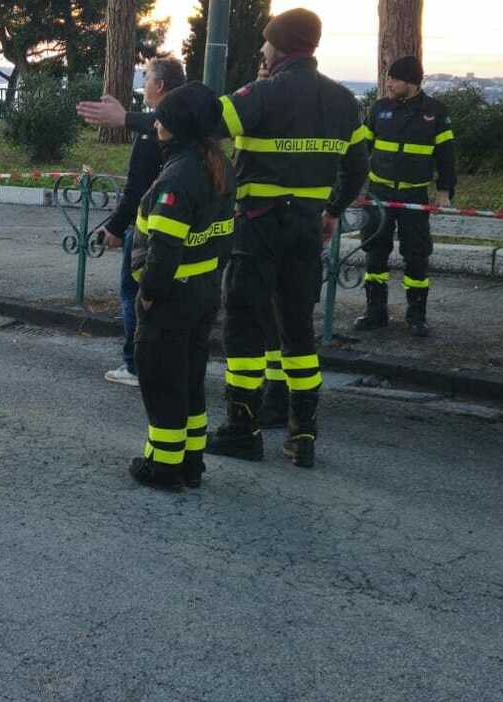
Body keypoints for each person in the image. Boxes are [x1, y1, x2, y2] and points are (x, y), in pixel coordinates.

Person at [78, 7, 368, 469]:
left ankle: (242, 429)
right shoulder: (343, 101)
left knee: (244, 325)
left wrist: (130, 118)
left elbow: (199, 124)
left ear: (283, 45)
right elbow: (357, 167)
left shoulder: (262, 95)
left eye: (266, 44)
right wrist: (332, 210)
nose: (263, 52)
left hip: (258, 227)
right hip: (307, 230)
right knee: (298, 331)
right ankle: (303, 434)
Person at [127, 84, 236, 490]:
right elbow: (224, 238)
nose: (155, 124)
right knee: (189, 380)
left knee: (161, 382)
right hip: (203, 291)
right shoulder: (218, 165)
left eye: (161, 119)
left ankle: (164, 468)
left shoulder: (178, 178)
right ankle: (191, 462)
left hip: (172, 297)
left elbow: (164, 252)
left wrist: (150, 293)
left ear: (176, 129)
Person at [95, 55, 185, 388]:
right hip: (185, 230)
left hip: (148, 230)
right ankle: (167, 363)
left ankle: (136, 365)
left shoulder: (152, 133)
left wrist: (116, 229)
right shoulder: (185, 126)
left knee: (133, 293)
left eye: (146, 78)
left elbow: (136, 188)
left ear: (160, 86)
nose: (142, 84)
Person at [355, 56, 456, 337]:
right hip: (379, 195)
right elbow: (361, 151)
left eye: (394, 79)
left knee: (416, 255)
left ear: (410, 82)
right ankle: (375, 313)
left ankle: (417, 317)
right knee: (375, 253)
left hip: (414, 195)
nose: (388, 83)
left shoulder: (435, 112)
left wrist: (444, 191)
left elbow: (446, 157)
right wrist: (353, 187)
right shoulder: (379, 108)